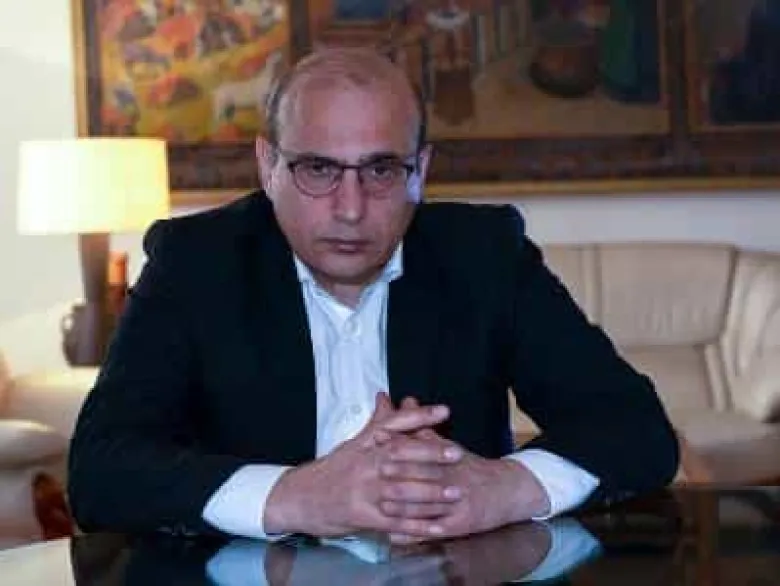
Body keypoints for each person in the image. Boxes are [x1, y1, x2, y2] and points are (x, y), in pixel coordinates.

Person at [67, 47, 679, 545]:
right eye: (318, 169)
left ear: (421, 170)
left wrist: (505, 487)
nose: (351, 208)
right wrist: (293, 497)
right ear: (268, 166)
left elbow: (636, 428)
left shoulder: (485, 255)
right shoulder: (196, 263)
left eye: (382, 170)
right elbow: (101, 469)